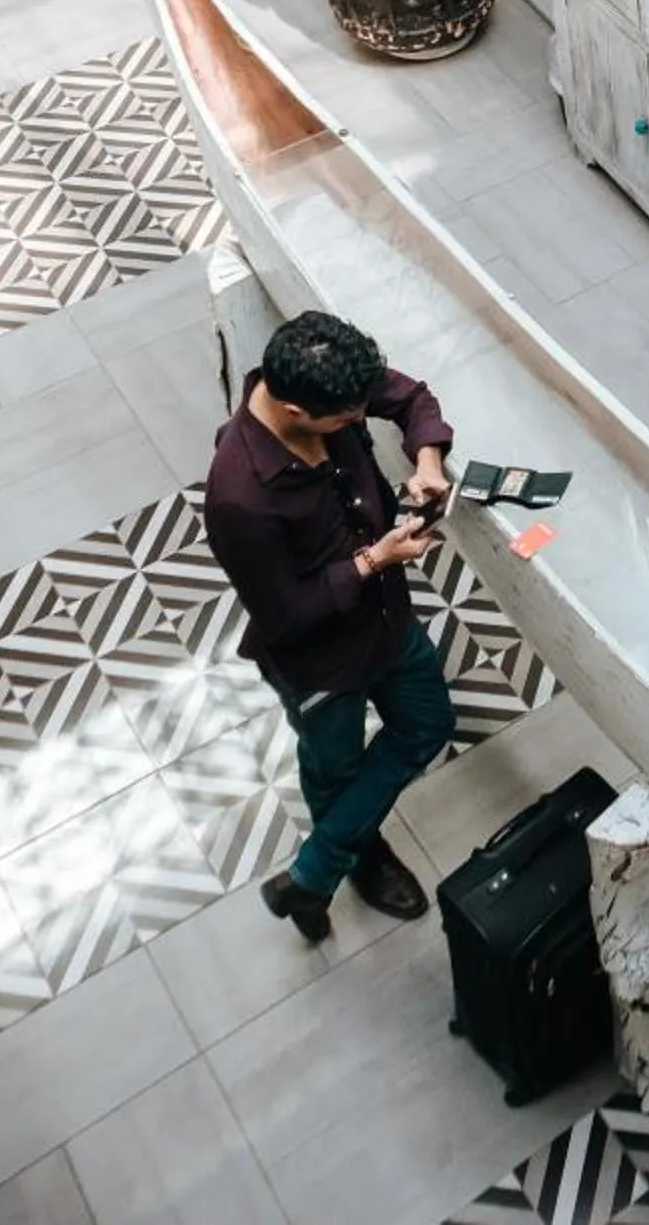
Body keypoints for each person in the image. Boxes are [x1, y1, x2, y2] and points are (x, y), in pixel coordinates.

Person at [204, 309, 458, 942]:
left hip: (388, 623)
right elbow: (286, 616)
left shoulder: (332, 384)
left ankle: (311, 874)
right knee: (334, 770)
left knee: (428, 724)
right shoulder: (240, 496)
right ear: (294, 411)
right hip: (319, 662)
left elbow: (412, 398)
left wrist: (427, 462)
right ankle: (358, 859)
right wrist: (374, 559)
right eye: (348, 418)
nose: (358, 418)